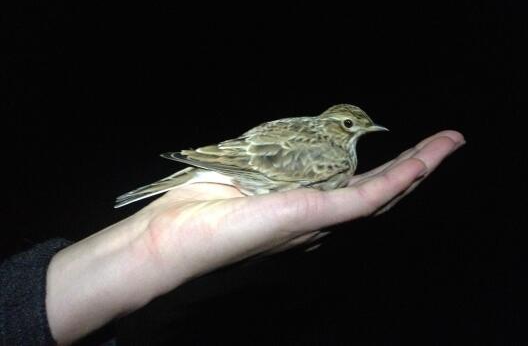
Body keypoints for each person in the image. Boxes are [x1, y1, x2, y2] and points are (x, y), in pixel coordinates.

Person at [0, 130, 465, 345]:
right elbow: (261, 158)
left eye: (359, 127)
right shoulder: (329, 157)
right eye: (350, 124)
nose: (359, 132)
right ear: (335, 125)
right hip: (240, 166)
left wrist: (151, 246)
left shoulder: (324, 147)